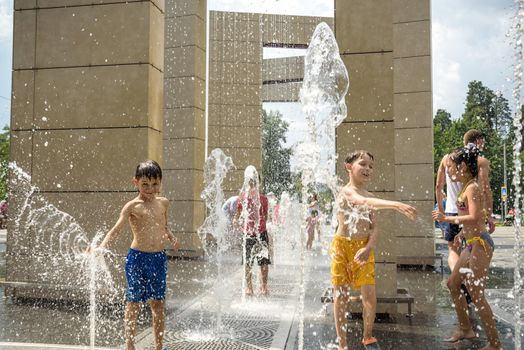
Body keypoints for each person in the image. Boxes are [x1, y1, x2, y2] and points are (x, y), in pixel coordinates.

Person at [88, 160, 179, 350]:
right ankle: (130, 345)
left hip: (158, 259)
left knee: (158, 304)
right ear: (135, 182)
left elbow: (164, 225)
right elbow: (115, 230)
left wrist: (171, 237)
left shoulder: (163, 203)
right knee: (134, 302)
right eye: (145, 184)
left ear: (160, 183)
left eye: (154, 184)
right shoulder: (132, 206)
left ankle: (159, 346)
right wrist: (101, 247)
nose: (150, 188)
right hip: (137, 259)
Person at [332, 150, 417, 350]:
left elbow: (374, 228)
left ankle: (368, 335)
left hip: (363, 247)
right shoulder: (346, 192)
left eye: (371, 166)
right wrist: (396, 204)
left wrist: (369, 247)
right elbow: (360, 202)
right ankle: (342, 342)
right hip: (342, 247)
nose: (368, 169)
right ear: (349, 167)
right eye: (363, 164)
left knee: (369, 296)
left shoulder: (370, 196)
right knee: (341, 295)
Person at [433, 145, 501, 350]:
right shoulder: (465, 186)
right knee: (453, 283)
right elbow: (474, 221)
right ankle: (465, 328)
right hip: (471, 243)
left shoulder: (472, 187)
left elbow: (475, 216)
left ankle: (496, 344)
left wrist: (447, 218)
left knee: (476, 293)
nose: (449, 170)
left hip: (481, 244)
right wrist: (463, 233)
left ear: (462, 166)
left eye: (451, 167)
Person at [436, 129, 493, 302]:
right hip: (465, 211)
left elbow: (438, 186)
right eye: (482, 141)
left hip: (454, 211)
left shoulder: (446, 159)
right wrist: (488, 215)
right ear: (477, 141)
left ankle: (460, 280)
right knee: (466, 248)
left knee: (454, 249)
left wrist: (443, 212)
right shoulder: (479, 161)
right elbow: (485, 188)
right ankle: (461, 281)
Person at [234, 165, 270, 296]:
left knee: (248, 262)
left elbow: (237, 215)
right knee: (263, 261)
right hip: (260, 232)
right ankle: (263, 287)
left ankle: (249, 288)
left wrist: (237, 223)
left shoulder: (243, 197)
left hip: (250, 232)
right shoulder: (263, 198)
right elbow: (265, 217)